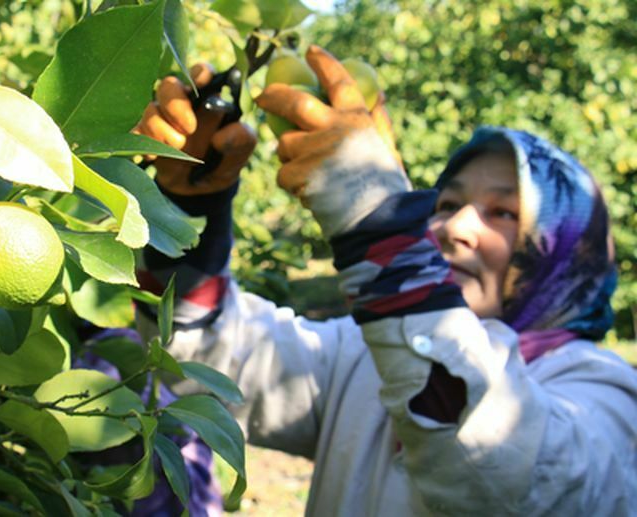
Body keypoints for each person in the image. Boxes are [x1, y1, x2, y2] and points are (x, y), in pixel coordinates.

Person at [133, 45, 637, 515]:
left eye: (502, 213)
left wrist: (375, 214)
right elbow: (215, 357)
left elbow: (507, 475)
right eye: (446, 204)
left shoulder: (606, 396)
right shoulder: (364, 355)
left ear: (566, 257)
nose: (455, 228)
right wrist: (187, 209)